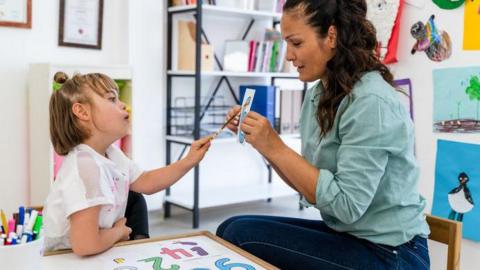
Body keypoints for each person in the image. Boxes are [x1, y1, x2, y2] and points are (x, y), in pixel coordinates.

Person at [216, 0, 430, 269]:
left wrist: (276, 147)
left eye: (296, 43)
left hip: (392, 254)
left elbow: (346, 207)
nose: (288, 56)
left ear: (331, 36)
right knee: (231, 226)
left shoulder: (371, 102)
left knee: (239, 235)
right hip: (352, 236)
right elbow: (310, 186)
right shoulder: (320, 94)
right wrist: (263, 144)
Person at [43, 72, 211, 256]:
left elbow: (147, 181)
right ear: (82, 112)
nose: (123, 105)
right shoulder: (85, 167)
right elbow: (86, 245)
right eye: (112, 99)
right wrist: (119, 232)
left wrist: (189, 160)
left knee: (135, 198)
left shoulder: (112, 153)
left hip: (96, 252)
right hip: (66, 259)